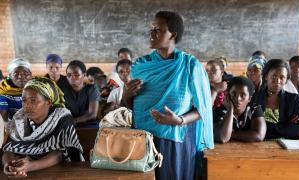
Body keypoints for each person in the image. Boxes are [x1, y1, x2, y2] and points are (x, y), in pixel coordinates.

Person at [122, 11, 213, 180]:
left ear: (173, 34)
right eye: (151, 29)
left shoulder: (190, 65)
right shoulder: (141, 65)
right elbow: (131, 106)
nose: (152, 33)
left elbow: (203, 109)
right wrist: (126, 95)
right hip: (143, 138)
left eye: (158, 29)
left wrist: (180, 120)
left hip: (175, 140)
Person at [2, 77, 83, 178]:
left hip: (58, 172)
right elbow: (9, 149)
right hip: (24, 172)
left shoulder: (62, 117)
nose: (27, 105)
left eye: (33, 100)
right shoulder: (19, 118)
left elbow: (61, 153)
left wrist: (30, 166)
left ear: (48, 102)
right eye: (24, 100)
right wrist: (9, 165)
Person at [251, 59, 299, 139]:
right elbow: (251, 126)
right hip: (260, 144)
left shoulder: (294, 99)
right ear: (266, 76)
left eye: (282, 77)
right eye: (274, 76)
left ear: (286, 79)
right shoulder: (255, 97)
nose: (278, 81)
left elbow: (298, 129)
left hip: (287, 145)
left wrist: (265, 125)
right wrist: (286, 125)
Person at [213, 76, 266, 143]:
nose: (238, 98)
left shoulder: (254, 109)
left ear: (249, 99)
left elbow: (259, 136)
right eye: (233, 94)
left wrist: (231, 134)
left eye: (243, 95)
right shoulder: (219, 111)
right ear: (228, 96)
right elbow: (223, 138)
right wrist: (230, 109)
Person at [60, 60, 100, 127]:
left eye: (76, 75)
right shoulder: (62, 90)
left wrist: (74, 120)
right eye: (69, 75)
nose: (72, 78)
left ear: (84, 75)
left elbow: (92, 114)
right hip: (68, 124)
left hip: (89, 125)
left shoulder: (92, 89)